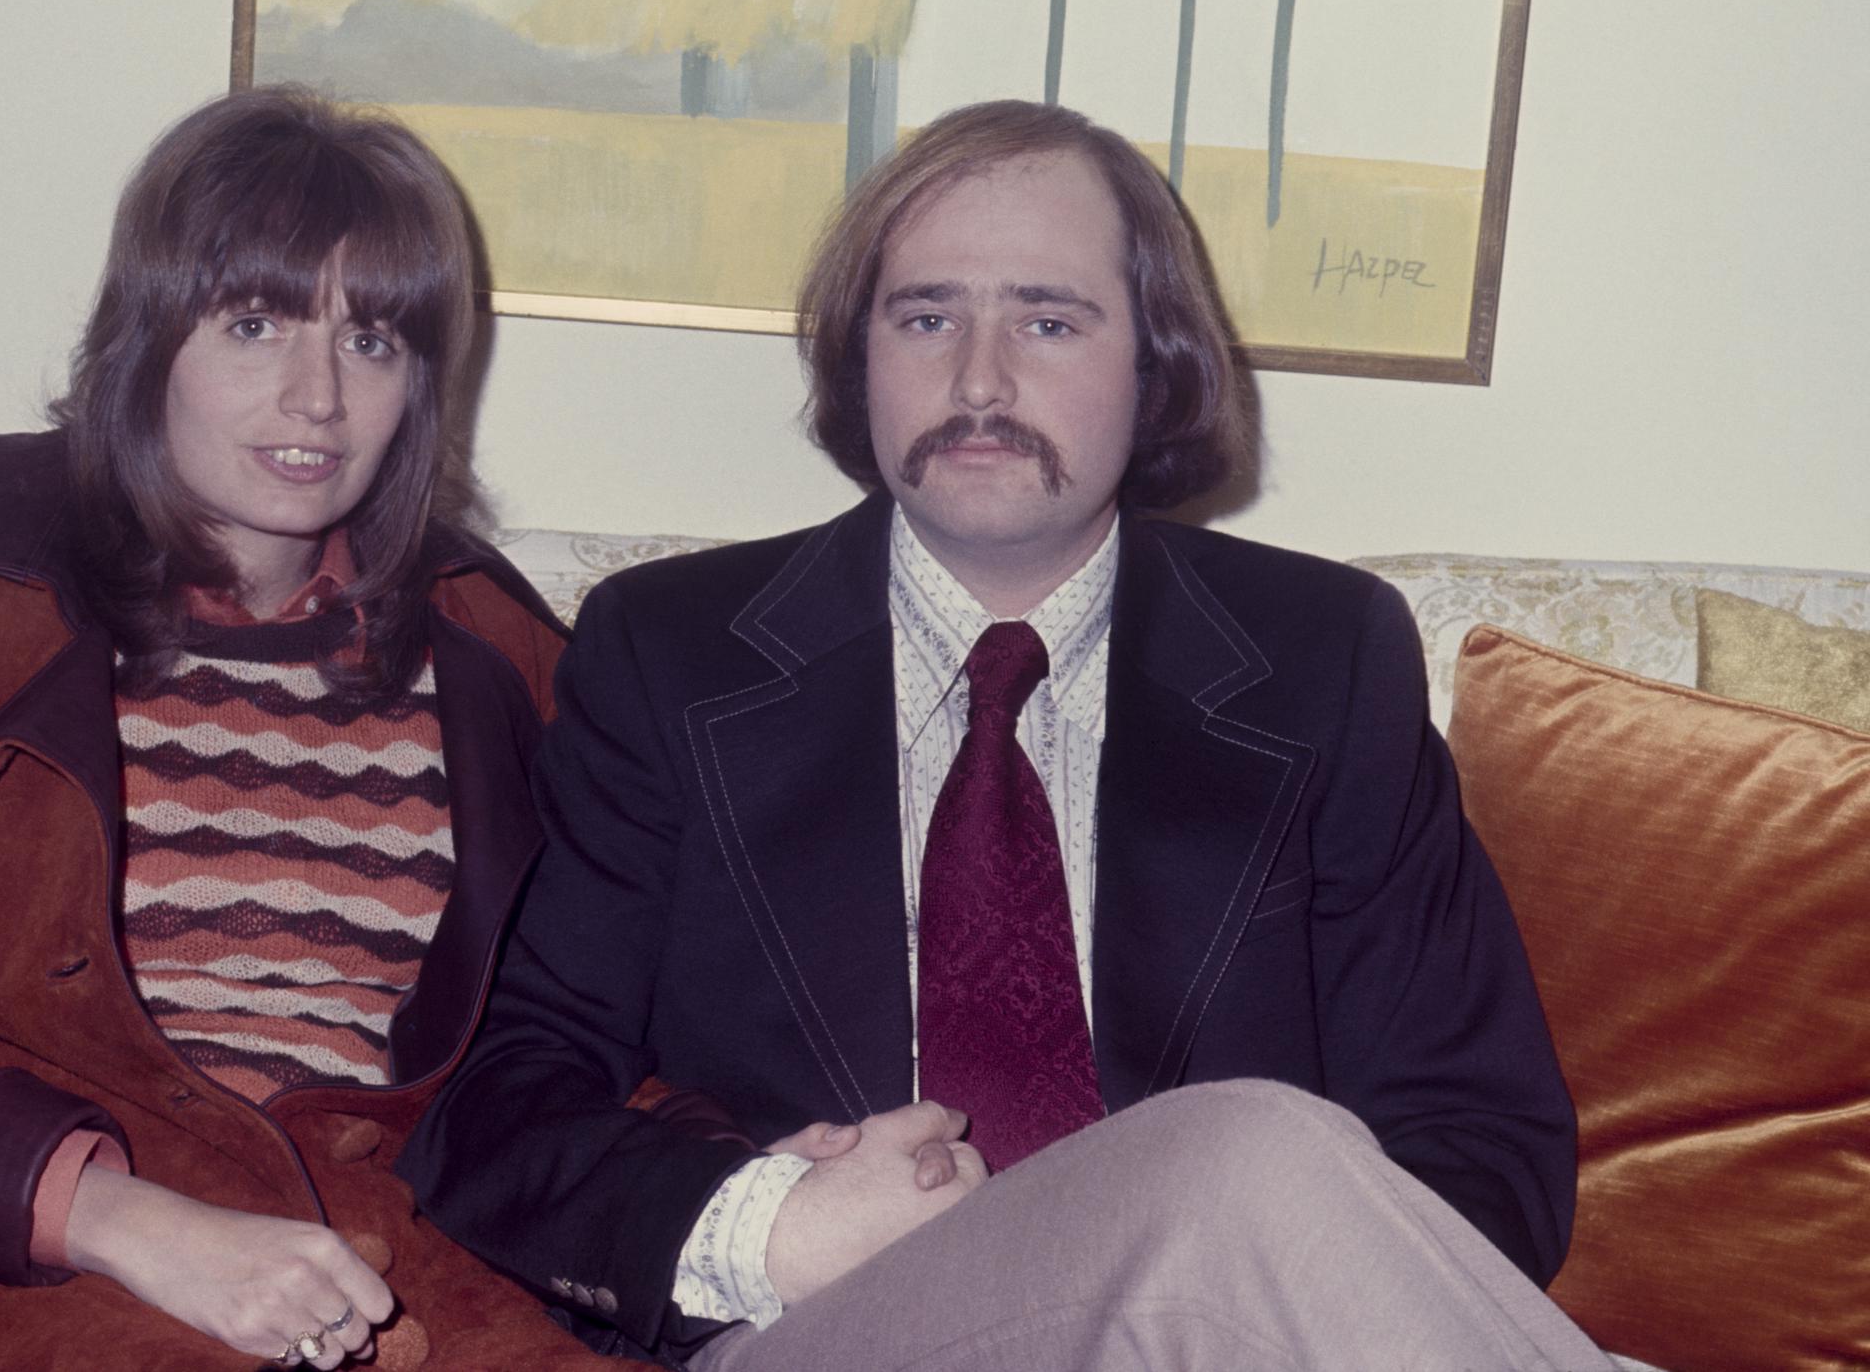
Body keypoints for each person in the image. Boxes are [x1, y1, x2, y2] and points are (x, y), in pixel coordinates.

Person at [400, 100, 1612, 1370]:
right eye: (926, 318)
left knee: (1245, 1158)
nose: (978, 381)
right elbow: (497, 1103)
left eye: (1047, 319)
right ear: (859, 358)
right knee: (1249, 1142)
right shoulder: (667, 655)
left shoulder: (1323, 661)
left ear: (1154, 367)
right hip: (831, 1337)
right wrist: (763, 1230)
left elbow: (1481, 1139)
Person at [0, 87, 608, 1371]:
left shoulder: (499, 656)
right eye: (255, 324)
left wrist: (753, 1165)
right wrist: (136, 1225)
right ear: (148, 341)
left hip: (386, 1262)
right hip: (32, 1273)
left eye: (372, 343)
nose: (317, 398)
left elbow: (585, 1036)